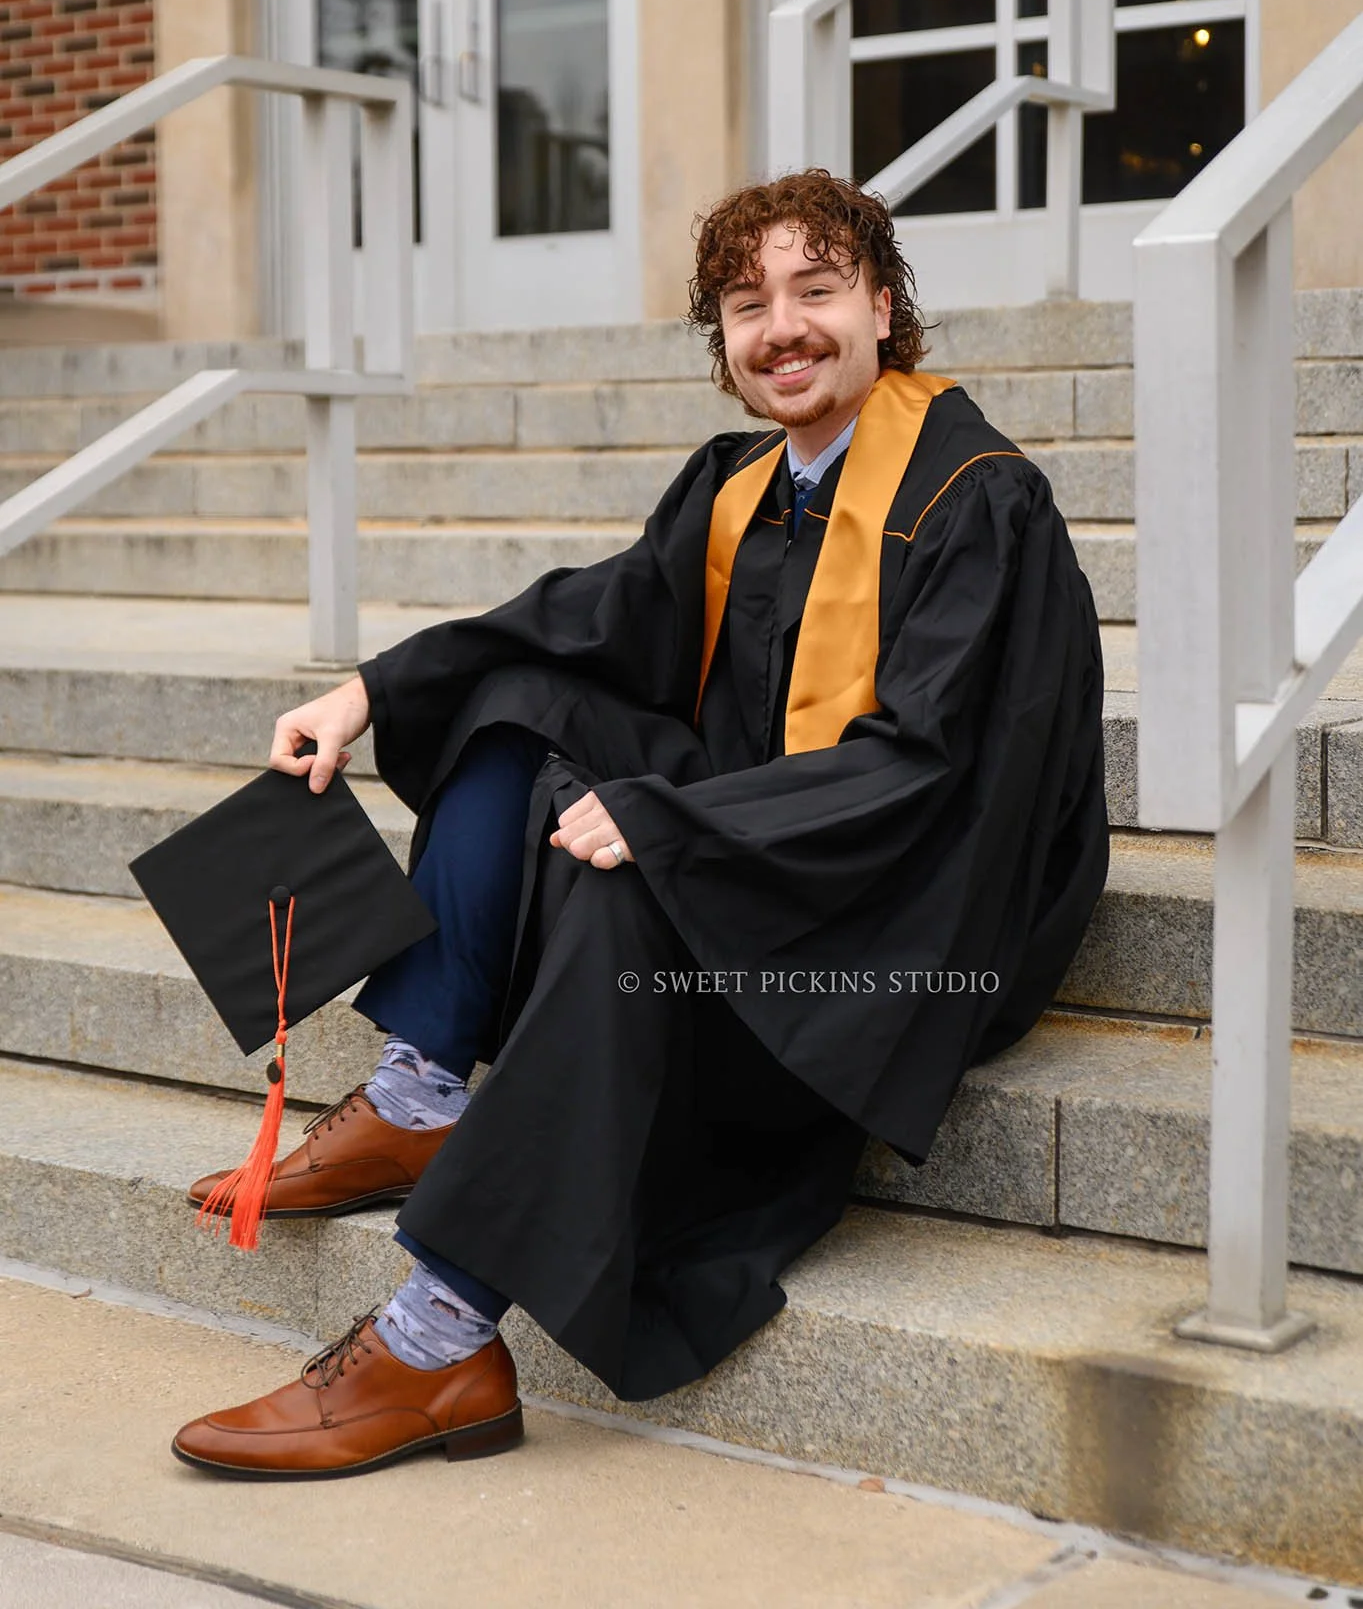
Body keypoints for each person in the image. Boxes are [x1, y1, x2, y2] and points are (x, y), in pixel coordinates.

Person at [171, 169, 1108, 1479]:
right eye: (747, 304)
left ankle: (437, 1341)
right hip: (761, 843)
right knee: (516, 698)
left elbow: (935, 772)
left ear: (884, 308)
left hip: (894, 915)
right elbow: (584, 621)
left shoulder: (975, 499)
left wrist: (680, 829)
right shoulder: (740, 488)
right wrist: (366, 693)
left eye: (817, 291)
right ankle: (420, 1090)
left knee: (626, 884)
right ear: (721, 338)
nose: (782, 327)